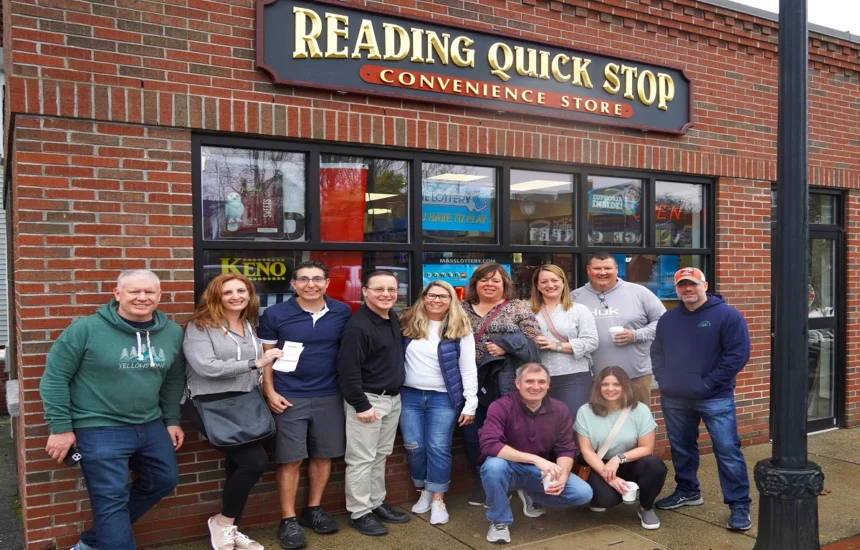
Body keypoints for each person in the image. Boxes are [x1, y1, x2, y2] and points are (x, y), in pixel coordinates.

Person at [40, 270, 186, 550]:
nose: (142, 298)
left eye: (149, 292)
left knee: (164, 480)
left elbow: (173, 380)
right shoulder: (86, 329)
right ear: (117, 293)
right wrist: (60, 428)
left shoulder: (171, 332)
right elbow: (54, 378)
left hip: (150, 423)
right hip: (98, 426)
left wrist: (171, 420)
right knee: (111, 500)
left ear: (159, 296)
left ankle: (93, 542)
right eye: (134, 292)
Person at [183, 273, 282, 550]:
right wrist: (255, 363)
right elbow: (206, 367)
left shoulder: (249, 324)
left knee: (237, 467)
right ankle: (222, 523)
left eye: (242, 291)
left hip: (246, 403)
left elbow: (260, 366)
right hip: (213, 404)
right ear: (216, 296)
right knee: (254, 462)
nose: (236, 296)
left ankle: (230, 528)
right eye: (228, 292)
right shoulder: (200, 326)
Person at [258, 261, 353, 550]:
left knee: (324, 456)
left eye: (317, 279)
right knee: (290, 459)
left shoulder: (342, 312)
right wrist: (269, 392)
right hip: (289, 396)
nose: (310, 284)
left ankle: (313, 509)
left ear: (327, 283)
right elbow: (267, 359)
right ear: (293, 284)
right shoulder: (275, 314)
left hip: (329, 395)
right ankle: (288, 519)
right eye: (303, 279)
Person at [651, 267, 753, 531]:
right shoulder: (668, 319)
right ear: (676, 289)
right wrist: (664, 380)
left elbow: (737, 356)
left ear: (704, 285)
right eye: (682, 285)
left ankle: (739, 504)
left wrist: (707, 383)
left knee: (727, 450)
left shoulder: (727, 316)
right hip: (675, 397)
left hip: (714, 397)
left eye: (692, 284)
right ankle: (688, 491)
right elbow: (656, 351)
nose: (688, 289)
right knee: (682, 448)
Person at [478, 363, 593, 544]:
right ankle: (499, 520)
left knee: (583, 493)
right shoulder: (500, 406)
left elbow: (565, 448)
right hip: (508, 468)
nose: (536, 386)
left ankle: (531, 494)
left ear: (549, 384)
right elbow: (489, 445)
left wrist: (562, 474)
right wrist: (536, 460)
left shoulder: (560, 409)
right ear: (518, 383)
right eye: (529, 381)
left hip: (540, 473)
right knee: (493, 466)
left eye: (541, 382)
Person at [337, 270, 409, 536]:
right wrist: (361, 405)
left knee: (380, 456)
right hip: (368, 401)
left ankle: (376, 503)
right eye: (379, 289)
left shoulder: (391, 317)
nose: (386, 295)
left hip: (392, 399)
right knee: (361, 459)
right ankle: (359, 512)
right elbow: (348, 370)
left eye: (391, 289)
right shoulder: (358, 327)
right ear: (364, 291)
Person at [462, 262, 541, 507]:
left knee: (511, 435)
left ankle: (512, 482)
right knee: (472, 435)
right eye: (484, 280)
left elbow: (533, 345)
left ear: (504, 284)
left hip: (505, 384)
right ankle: (486, 482)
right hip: (470, 384)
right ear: (475, 283)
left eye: (495, 280)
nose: (490, 284)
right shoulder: (459, 309)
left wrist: (505, 345)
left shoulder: (518, 308)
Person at [399, 280, 478, 525]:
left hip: (443, 398)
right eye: (432, 295)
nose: (437, 300)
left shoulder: (459, 327)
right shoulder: (407, 323)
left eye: (443, 296)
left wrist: (470, 402)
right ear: (424, 297)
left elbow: (467, 368)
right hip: (409, 395)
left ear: (451, 301)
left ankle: (438, 499)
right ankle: (424, 490)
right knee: (415, 446)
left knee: (438, 447)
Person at [575, 366, 667, 530]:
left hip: (629, 461)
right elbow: (587, 451)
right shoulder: (585, 411)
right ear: (598, 387)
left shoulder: (640, 410)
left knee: (655, 466)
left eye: (616, 384)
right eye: (605, 384)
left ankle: (645, 508)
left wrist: (619, 458)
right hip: (598, 463)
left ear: (625, 386)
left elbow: (646, 448)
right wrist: (608, 475)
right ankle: (606, 494)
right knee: (607, 500)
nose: (610, 389)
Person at [572, 252, 666, 406]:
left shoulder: (639, 293)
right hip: (594, 377)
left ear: (616, 269)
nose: (603, 273)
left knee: (638, 423)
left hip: (636, 375)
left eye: (607, 268)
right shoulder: (575, 297)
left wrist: (636, 335)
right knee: (600, 423)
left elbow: (664, 321)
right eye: (597, 268)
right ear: (588, 270)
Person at [530, 264, 599, 419]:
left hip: (573, 376)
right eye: (544, 282)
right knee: (541, 424)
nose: (550, 285)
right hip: (535, 378)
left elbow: (591, 342)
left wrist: (556, 345)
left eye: (554, 280)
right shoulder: (525, 309)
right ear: (537, 285)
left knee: (571, 421)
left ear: (563, 283)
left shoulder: (579, 310)